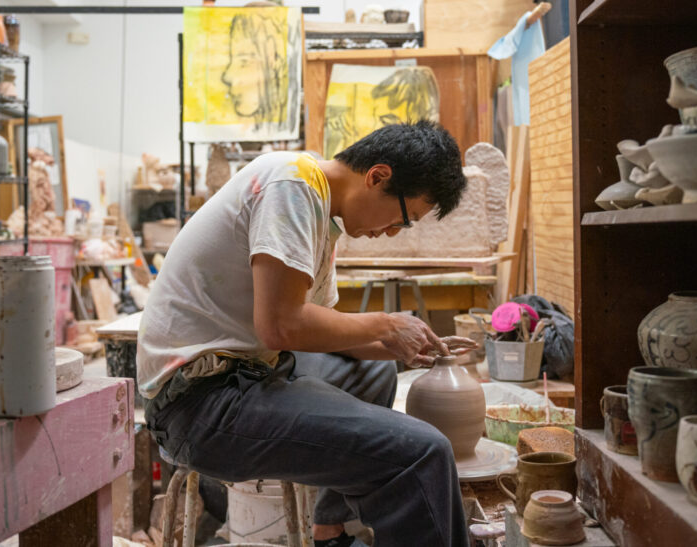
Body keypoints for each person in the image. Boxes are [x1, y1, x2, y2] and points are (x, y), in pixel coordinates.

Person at [137, 120, 475, 546]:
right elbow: (281, 325)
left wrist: (401, 348)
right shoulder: (291, 185)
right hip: (198, 404)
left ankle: (328, 527)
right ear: (377, 176)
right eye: (404, 219)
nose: (391, 232)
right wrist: (386, 323)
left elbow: (322, 329)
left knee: (375, 374)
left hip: (239, 373)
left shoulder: (320, 211)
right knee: (423, 453)